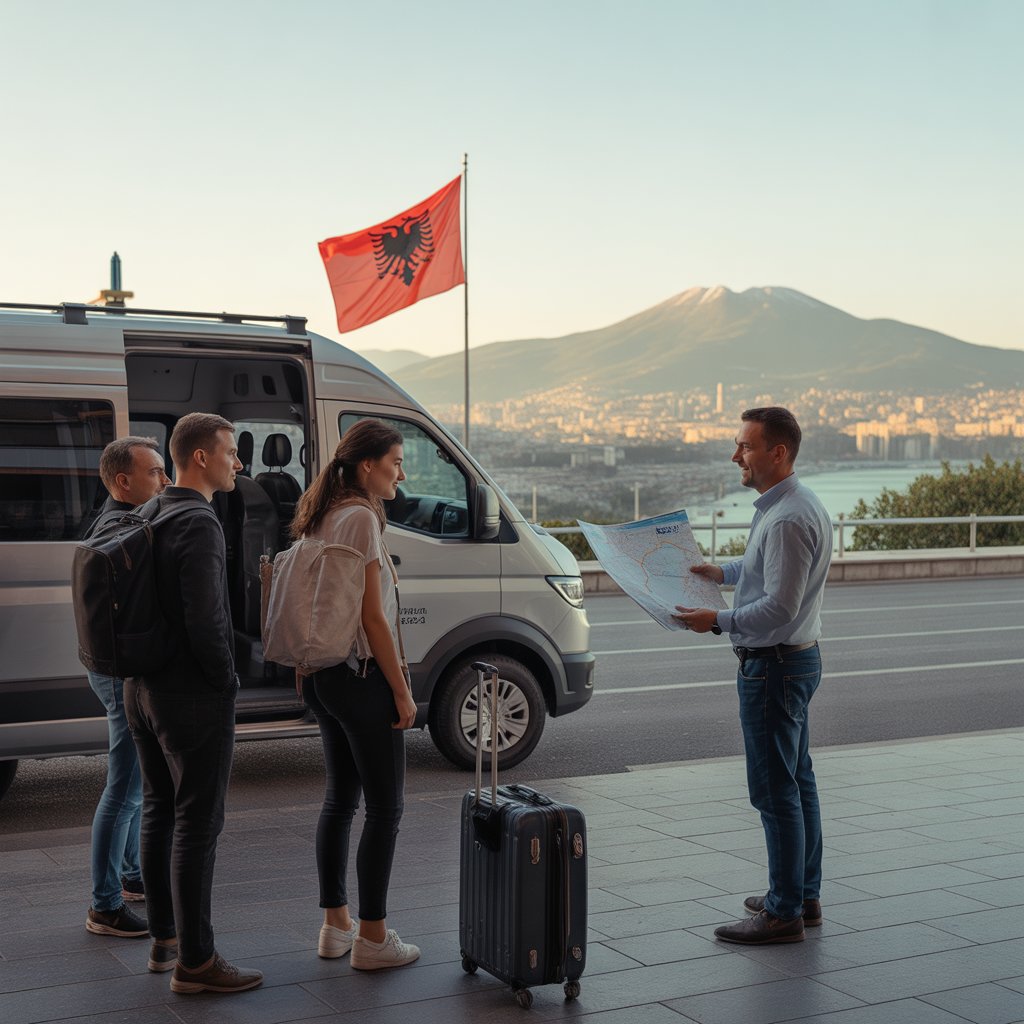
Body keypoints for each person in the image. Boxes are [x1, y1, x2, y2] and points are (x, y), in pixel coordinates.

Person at [674, 406, 832, 945]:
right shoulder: (793, 504)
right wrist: (722, 572)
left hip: (774, 668)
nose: (735, 455)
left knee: (775, 791)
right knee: (798, 782)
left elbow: (780, 606)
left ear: (777, 453)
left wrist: (716, 620)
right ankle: (802, 894)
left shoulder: (786, 518)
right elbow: (766, 572)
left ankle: (784, 913)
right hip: (796, 659)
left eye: (745, 446)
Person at [124, 412, 263, 993]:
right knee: (198, 824)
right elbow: (206, 618)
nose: (238, 463)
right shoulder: (200, 521)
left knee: (160, 810)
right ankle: (198, 963)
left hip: (141, 688)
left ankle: (166, 941)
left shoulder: (152, 508)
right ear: (201, 457)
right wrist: (226, 681)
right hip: (189, 694)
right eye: (230, 452)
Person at [291, 418, 420, 971]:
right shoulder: (362, 518)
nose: (401, 474)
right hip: (361, 676)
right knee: (385, 809)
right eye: (395, 463)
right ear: (368, 465)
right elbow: (373, 618)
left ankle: (335, 926)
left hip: (322, 676)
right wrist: (402, 692)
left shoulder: (322, 512)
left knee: (340, 801)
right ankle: (373, 938)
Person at [84, 437, 170, 940]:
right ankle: (105, 905)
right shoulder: (127, 531)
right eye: (155, 472)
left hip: (106, 667)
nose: (165, 481)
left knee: (133, 787)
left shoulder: (109, 521)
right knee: (124, 790)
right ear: (123, 481)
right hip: (120, 674)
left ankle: (132, 875)